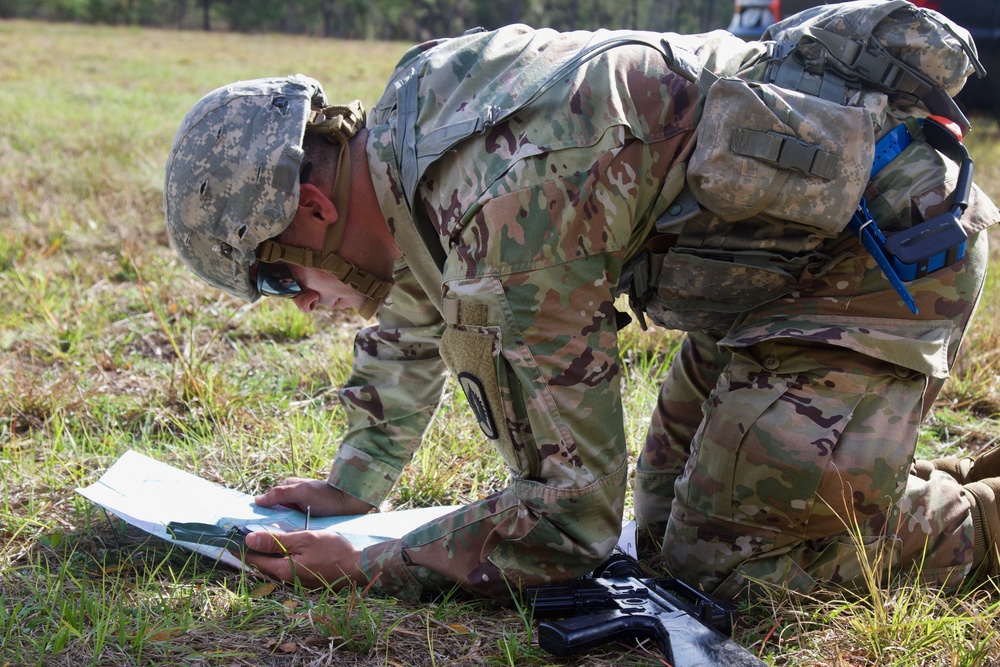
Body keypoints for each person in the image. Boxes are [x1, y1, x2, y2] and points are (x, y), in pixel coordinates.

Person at [163, 12, 1000, 603]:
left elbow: (569, 519)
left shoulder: (502, 209)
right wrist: (354, 485)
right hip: (772, 274)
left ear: (313, 213)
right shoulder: (412, 131)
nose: (303, 306)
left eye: (280, 279)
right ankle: (877, 476)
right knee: (672, 524)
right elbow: (417, 302)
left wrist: (373, 560)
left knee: (732, 566)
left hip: (885, 255)